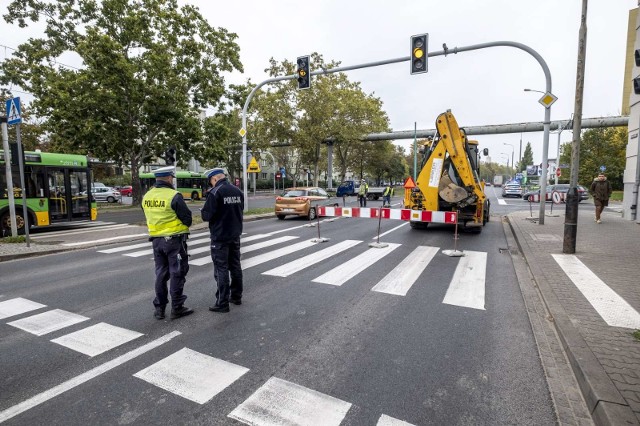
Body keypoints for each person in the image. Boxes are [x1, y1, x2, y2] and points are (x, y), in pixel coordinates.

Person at [141, 166, 194, 320]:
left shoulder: (147, 196)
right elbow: (187, 219)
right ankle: (177, 307)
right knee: (177, 273)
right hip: (174, 241)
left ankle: (160, 309)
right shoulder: (174, 196)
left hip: (156, 241)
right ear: (170, 178)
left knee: (160, 274)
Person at [201, 167, 244, 313]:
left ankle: (222, 302)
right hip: (235, 235)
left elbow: (206, 216)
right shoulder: (237, 191)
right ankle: (236, 296)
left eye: (210, 181)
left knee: (221, 269)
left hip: (220, 237)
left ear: (214, 179)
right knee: (235, 266)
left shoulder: (214, 193)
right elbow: (240, 209)